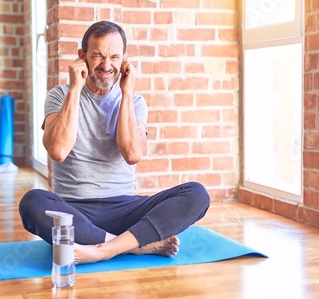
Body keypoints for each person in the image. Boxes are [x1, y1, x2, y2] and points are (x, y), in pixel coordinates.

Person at [19, 21, 210, 264]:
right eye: (97, 55)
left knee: (197, 194)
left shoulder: (135, 101)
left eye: (114, 57)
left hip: (125, 209)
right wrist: (75, 89)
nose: (106, 65)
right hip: (75, 210)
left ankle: (103, 249)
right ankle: (134, 246)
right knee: (32, 202)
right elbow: (58, 150)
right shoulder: (60, 95)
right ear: (82, 57)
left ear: (124, 61)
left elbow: (132, 153)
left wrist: (127, 93)